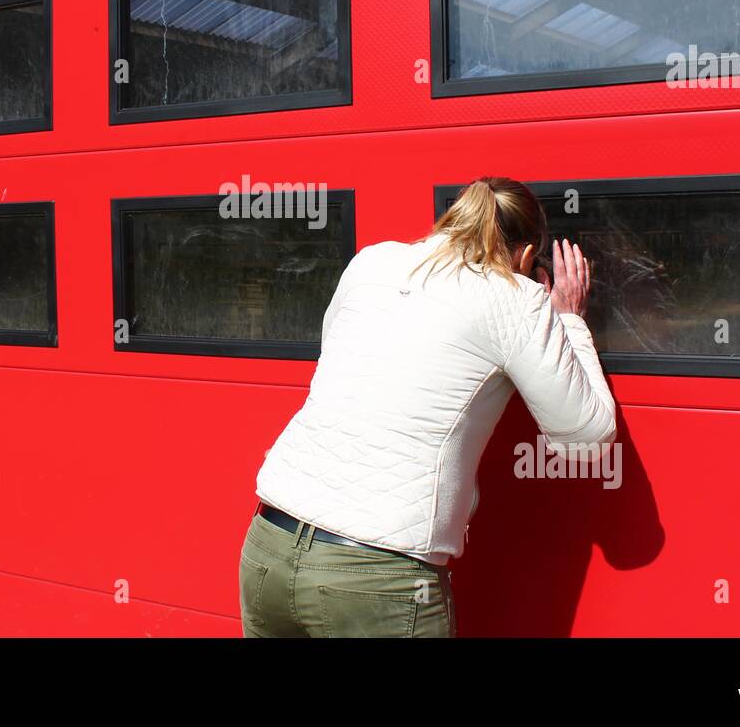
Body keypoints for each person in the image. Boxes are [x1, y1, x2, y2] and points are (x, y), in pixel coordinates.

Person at [239, 176, 617, 637]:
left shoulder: (371, 262)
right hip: (378, 577)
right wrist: (569, 321)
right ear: (524, 255)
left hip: (269, 547)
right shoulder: (516, 300)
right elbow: (586, 439)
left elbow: (334, 352)